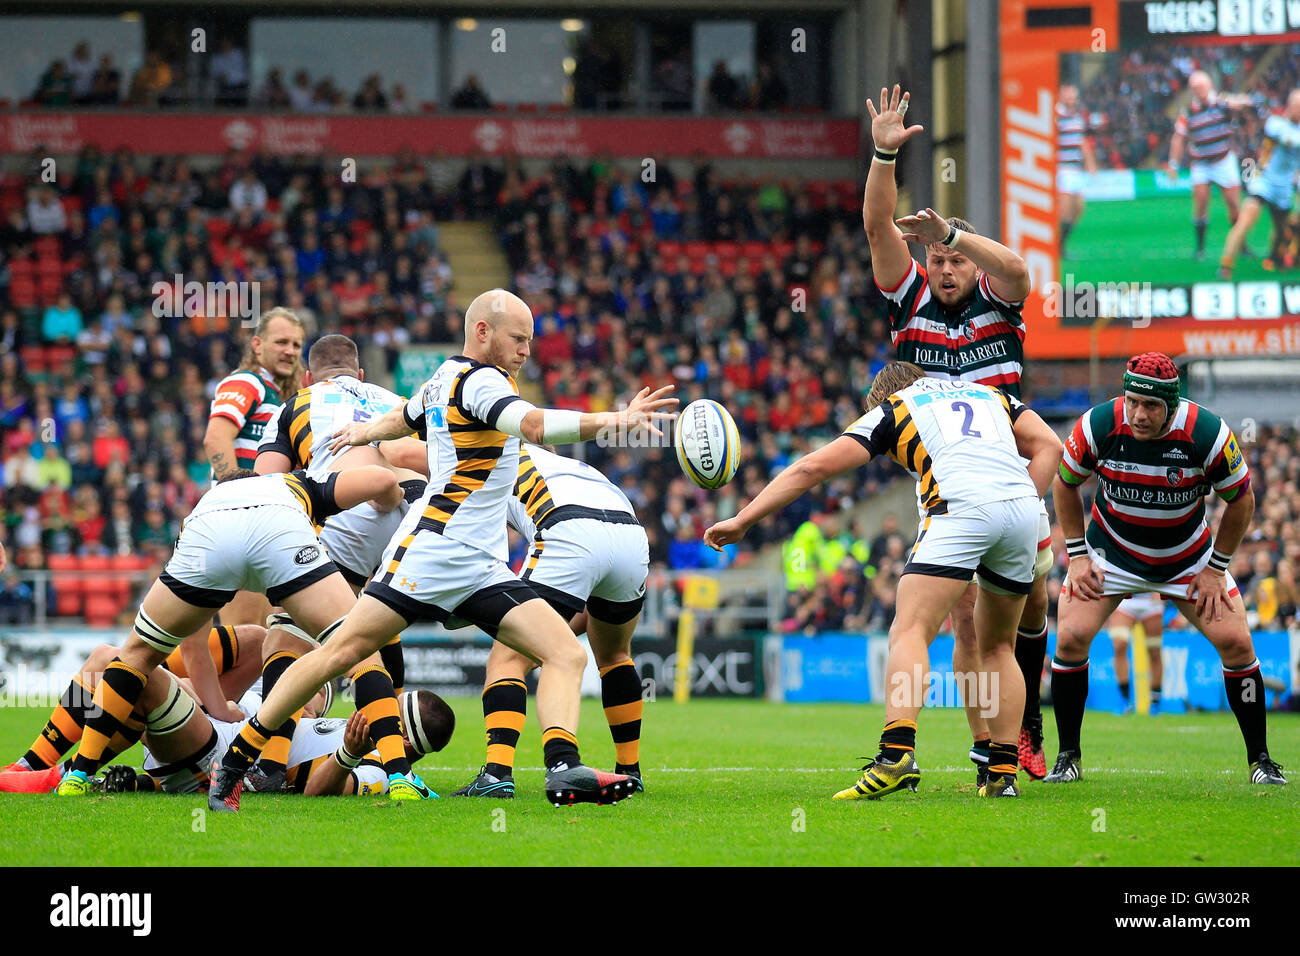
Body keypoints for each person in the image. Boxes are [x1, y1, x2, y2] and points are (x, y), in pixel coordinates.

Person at [206, 289, 676, 810]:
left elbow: (404, 417)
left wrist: (363, 430)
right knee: (342, 652)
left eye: (530, 340)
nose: (526, 349)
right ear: (483, 332)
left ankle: (564, 769)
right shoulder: (480, 381)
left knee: (564, 652)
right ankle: (236, 762)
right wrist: (616, 420)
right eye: (518, 338)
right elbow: (537, 426)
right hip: (432, 553)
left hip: (478, 566)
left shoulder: (442, 379)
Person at [705, 361, 1063, 799]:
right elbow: (1050, 446)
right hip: (1024, 509)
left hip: (961, 506)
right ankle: (1002, 776)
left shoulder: (894, 408)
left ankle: (896, 755)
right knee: (999, 647)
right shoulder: (992, 395)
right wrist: (1021, 501)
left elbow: (809, 470)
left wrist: (744, 520)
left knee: (910, 629)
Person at [864, 83, 1054, 782]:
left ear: (969, 260)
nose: (945, 269)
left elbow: (1019, 269)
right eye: (938, 260)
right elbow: (878, 228)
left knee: (1030, 607)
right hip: (947, 481)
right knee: (966, 620)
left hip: (1008, 473)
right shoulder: (908, 298)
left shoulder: (999, 304)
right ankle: (990, 743)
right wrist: (884, 153)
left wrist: (950, 231)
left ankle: (1026, 721)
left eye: (954, 260)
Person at [54, 464, 408, 797]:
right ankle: (401, 777)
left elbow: (193, 648)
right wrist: (392, 502)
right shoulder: (293, 483)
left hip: (210, 534)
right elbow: (381, 480)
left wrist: (219, 709)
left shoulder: (201, 509)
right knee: (357, 649)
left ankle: (75, 773)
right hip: (279, 529)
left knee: (132, 656)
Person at [1048, 352, 1285, 785]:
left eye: (1151, 406)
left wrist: (1216, 568)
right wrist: (1078, 555)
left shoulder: (1207, 433)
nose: (1139, 414)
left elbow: (1242, 499)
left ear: (1172, 406)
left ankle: (1262, 761)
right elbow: (1064, 484)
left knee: (1236, 643)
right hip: (1111, 553)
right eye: (1133, 401)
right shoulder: (1097, 424)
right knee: (1070, 638)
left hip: (1187, 559)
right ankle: (1068, 758)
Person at [253, 333, 426, 781]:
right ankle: (399, 749)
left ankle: (270, 765)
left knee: (288, 637)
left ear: (308, 376)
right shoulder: (396, 398)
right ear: (361, 374)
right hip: (420, 510)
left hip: (349, 503)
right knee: (375, 620)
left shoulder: (295, 404)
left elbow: (267, 482)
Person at [452, 443, 650, 798]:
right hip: (631, 535)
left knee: (508, 656)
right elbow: (579, 610)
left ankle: (497, 774)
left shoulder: (496, 455)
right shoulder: (579, 468)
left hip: (567, 528)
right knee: (616, 655)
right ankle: (629, 770)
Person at [204, 307, 305, 632]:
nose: (290, 350)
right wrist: (239, 503)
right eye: (282, 342)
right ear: (258, 345)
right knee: (245, 632)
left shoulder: (278, 394)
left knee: (267, 632)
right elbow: (216, 438)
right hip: (244, 523)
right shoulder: (247, 381)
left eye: (297, 344)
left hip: (268, 524)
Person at [1167, 71, 1253, 261]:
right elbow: (1178, 138)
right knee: (1200, 204)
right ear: (1191, 90)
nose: (1200, 90)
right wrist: (1173, 163)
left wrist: (1241, 103)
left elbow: (1241, 102)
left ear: (1209, 86)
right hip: (1201, 163)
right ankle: (1200, 248)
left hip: (1223, 160)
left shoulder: (1221, 103)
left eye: (1202, 86)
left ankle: (1242, 245)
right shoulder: (1188, 112)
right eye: (1196, 88)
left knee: (1233, 205)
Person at [1219, 88, 1300, 278]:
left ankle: (1274, 258)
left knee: (1282, 231)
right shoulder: (1276, 123)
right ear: (1290, 106)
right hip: (1264, 180)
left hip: (1284, 187)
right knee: (1246, 219)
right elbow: (1291, 141)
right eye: (1297, 105)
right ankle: (1226, 264)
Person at [1056, 83, 1097, 259]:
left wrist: (1090, 163)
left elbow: (1082, 142)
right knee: (1064, 210)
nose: (1071, 100)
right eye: (1068, 96)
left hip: (1075, 169)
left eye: (1073, 97)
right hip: (1061, 168)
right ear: (1061, 96)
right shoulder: (1056, 116)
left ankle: (1060, 243)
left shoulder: (1077, 116)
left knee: (1078, 209)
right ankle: (1059, 248)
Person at [1106, 594, 1164, 713]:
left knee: (1154, 652)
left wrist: (1160, 591)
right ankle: (1124, 699)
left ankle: (1155, 702)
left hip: (1151, 600)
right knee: (1119, 645)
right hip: (1125, 599)